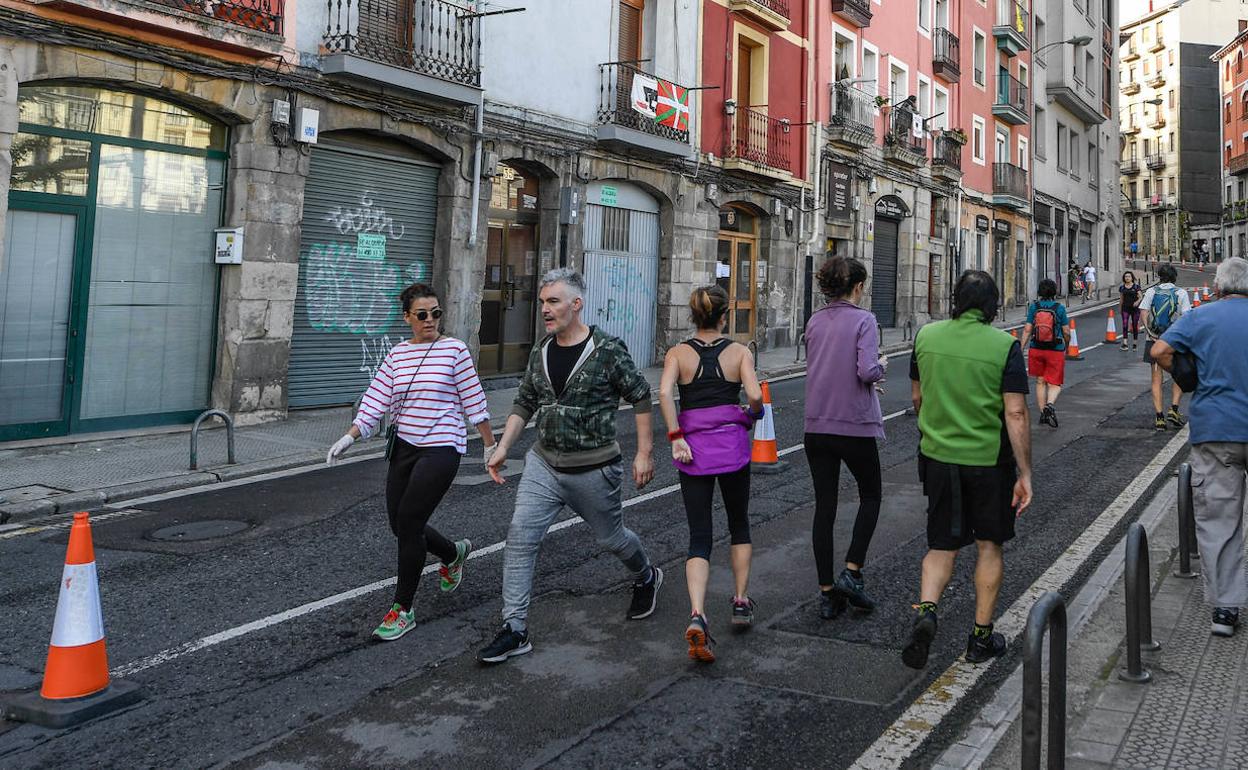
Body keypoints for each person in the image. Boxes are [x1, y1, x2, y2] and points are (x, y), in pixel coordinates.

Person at [479, 268, 660, 664]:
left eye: (554, 301)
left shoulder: (607, 350)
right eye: (543, 302)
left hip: (594, 469)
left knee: (612, 540)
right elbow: (525, 400)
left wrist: (643, 452)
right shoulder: (541, 351)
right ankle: (515, 628)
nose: (545, 309)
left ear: (576, 305)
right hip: (543, 465)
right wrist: (502, 446)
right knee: (520, 540)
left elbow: (642, 395)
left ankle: (646, 574)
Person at [326, 283, 495, 641]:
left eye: (436, 313)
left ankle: (402, 609)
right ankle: (453, 554)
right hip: (404, 445)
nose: (431, 320)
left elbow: (473, 400)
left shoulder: (455, 350)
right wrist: (350, 436)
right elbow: (376, 400)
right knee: (400, 525)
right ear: (407, 318)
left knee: (409, 519)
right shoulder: (397, 355)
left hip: (442, 447)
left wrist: (491, 445)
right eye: (422, 314)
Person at [902, 271, 1033, 670]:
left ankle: (927, 610)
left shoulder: (926, 337)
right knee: (989, 546)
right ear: (993, 305)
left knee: (941, 545)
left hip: (938, 459)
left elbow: (918, 396)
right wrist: (1025, 473)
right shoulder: (1004, 346)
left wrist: (937, 429)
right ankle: (980, 637)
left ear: (955, 298)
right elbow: (1015, 412)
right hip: (989, 464)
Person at [658, 285, 764, 663]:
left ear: (693, 315)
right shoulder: (739, 353)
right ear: (724, 315)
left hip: (693, 451)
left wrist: (675, 436)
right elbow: (754, 396)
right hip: (732, 447)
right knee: (739, 523)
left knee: (699, 535)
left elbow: (665, 393)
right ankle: (739, 601)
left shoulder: (677, 353)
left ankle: (698, 614)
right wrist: (750, 416)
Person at [1149, 258, 1248, 637]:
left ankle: (1225, 609)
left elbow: (1159, 351)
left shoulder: (1202, 317)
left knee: (1220, 519)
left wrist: (1186, 373)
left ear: (1219, 286)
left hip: (1216, 429)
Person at [802, 256, 888, 620]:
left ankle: (826, 592)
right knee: (871, 494)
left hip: (816, 425)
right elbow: (866, 370)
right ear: (857, 287)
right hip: (853, 424)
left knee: (825, 506)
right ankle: (852, 571)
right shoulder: (865, 320)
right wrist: (882, 365)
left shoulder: (814, 320)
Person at [1141, 263, 1191, 431]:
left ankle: (1159, 417)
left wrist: (1152, 335)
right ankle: (1174, 409)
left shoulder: (1151, 292)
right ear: (1174, 277)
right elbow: (1186, 318)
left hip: (1153, 340)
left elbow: (1144, 314)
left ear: (1159, 276)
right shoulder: (1180, 293)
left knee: (1156, 379)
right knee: (1180, 373)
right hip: (1174, 340)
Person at [1019, 279, 1071, 428]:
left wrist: (1021, 348)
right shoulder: (1059, 308)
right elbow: (1066, 331)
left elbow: (1028, 329)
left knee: (1040, 381)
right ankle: (1049, 405)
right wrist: (1066, 345)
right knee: (1055, 382)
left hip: (1036, 348)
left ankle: (1043, 414)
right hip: (1055, 349)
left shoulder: (1034, 307)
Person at [1118, 270, 1143, 351]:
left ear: (1132, 278)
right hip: (1125, 308)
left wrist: (1137, 302)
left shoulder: (1136, 287)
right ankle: (1125, 344)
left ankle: (1135, 343)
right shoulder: (1122, 288)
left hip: (1135, 309)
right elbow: (1121, 299)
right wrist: (1120, 308)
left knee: (1135, 325)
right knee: (1125, 324)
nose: (1127, 278)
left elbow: (1140, 297)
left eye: (1129, 276)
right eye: (1125, 277)